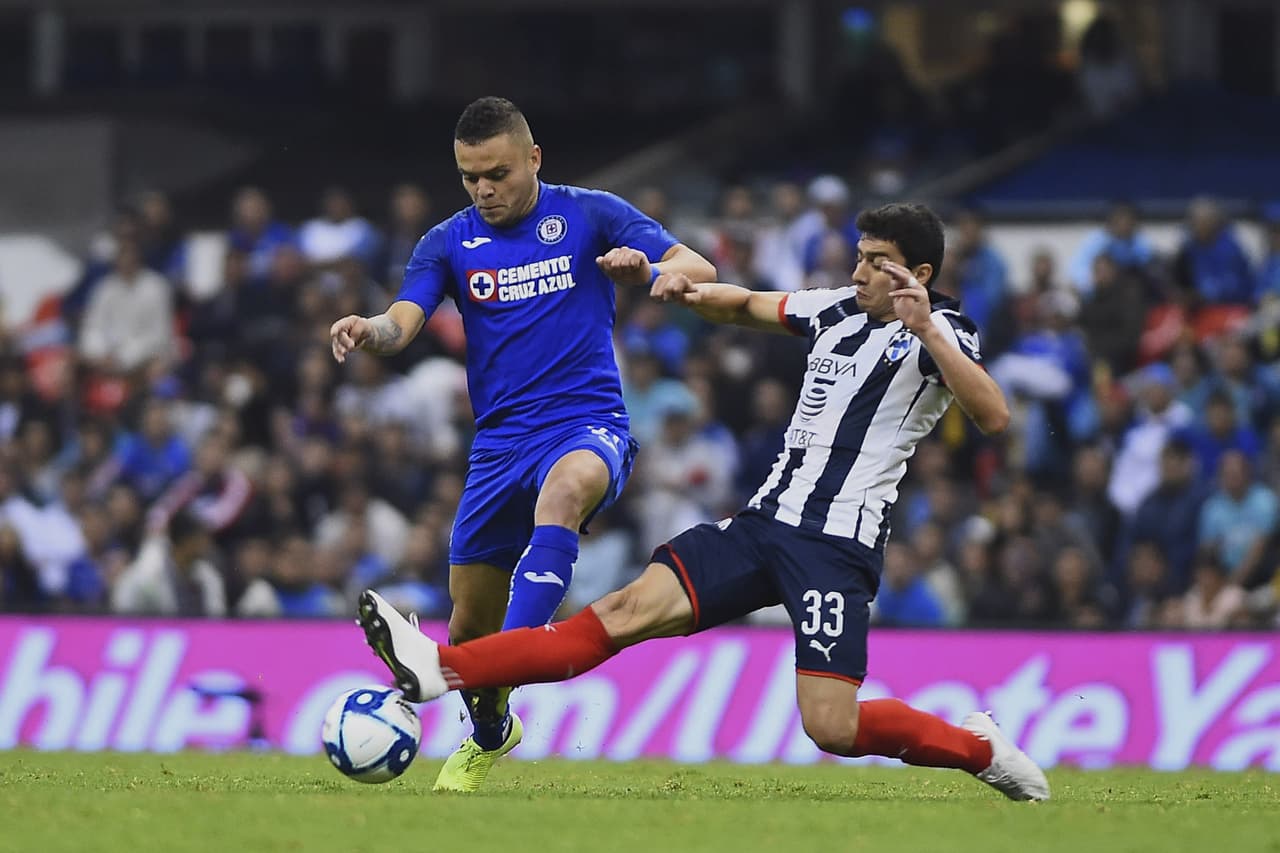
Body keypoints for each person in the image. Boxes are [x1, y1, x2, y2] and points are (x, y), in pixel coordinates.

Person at [357, 203, 1049, 801]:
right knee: (622, 612)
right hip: (759, 524)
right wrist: (665, 281)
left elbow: (993, 414)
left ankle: (978, 750)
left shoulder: (945, 331)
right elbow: (746, 302)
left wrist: (926, 327)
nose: (861, 272)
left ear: (919, 276)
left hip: (834, 546)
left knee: (831, 725)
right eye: (861, 257)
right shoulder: (836, 308)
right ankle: (440, 668)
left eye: (878, 263)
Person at [329, 96, 716, 791]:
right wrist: (369, 328)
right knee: (468, 620)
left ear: (533, 158)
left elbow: (700, 266)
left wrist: (651, 274)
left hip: (585, 423)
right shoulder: (448, 241)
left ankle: (502, 662)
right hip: (498, 447)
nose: (485, 189)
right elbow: (403, 319)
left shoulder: (591, 213)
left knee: (565, 493)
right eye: (470, 176)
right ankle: (490, 727)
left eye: (498, 173)